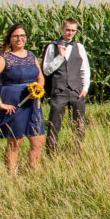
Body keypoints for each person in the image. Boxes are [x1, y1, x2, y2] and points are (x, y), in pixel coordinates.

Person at [0, 23, 45, 174]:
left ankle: (33, 172)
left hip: (32, 102)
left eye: (22, 36)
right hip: (14, 102)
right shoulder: (3, 57)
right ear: (10, 38)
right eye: (16, 36)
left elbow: (40, 78)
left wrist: (38, 88)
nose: (19, 39)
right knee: (15, 142)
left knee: (38, 140)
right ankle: (12, 175)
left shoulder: (31, 56)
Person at [41, 17, 90, 153]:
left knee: (79, 124)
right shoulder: (52, 47)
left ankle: (77, 152)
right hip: (59, 91)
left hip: (76, 91)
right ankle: (51, 152)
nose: (70, 33)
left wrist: (85, 89)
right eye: (68, 30)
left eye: (73, 30)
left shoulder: (79, 47)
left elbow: (85, 69)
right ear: (62, 29)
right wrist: (60, 57)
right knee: (54, 124)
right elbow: (46, 70)